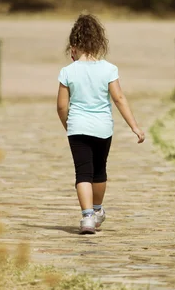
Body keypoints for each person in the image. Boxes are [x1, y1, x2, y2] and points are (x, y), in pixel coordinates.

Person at [57, 14, 145, 234]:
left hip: (77, 127)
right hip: (102, 128)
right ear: (98, 43)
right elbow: (119, 99)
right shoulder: (108, 69)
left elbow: (61, 106)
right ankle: (97, 211)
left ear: (73, 47)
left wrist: (69, 125)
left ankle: (86, 217)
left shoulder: (68, 72)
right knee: (99, 171)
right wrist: (134, 126)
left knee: (82, 173)